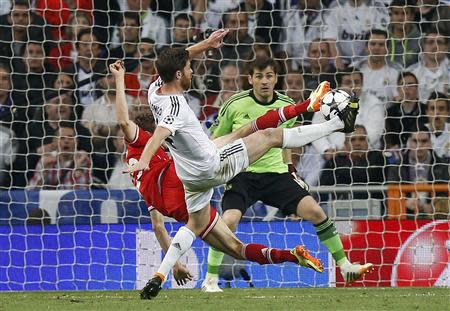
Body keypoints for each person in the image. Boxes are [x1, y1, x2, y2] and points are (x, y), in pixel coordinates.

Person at [124, 29, 364, 299]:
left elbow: (179, 57)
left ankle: (159, 276)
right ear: (179, 74)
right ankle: (334, 121)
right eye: (189, 69)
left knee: (200, 225)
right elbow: (159, 134)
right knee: (269, 137)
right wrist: (144, 160)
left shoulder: (155, 90)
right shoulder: (175, 108)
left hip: (190, 174)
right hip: (211, 165)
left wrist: (206, 45)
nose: (192, 71)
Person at [202, 56, 371, 292]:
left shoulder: (286, 103)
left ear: (275, 78)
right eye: (259, 76)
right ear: (250, 79)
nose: (264, 81)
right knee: (228, 221)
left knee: (315, 211)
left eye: (269, 76)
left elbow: (288, 142)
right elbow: (215, 140)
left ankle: (345, 266)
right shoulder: (234, 104)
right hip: (242, 174)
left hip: (277, 175)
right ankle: (210, 280)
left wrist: (292, 170)